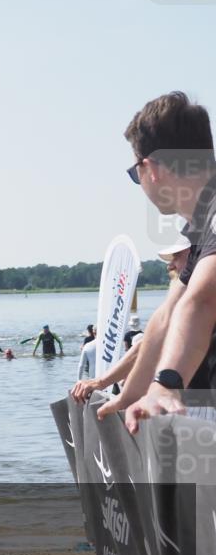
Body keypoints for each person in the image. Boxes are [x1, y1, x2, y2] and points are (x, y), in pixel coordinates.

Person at [98, 91, 216, 431]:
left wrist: (164, 384)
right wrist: (131, 395)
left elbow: (203, 300)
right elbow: (168, 315)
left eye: (135, 174)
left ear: (151, 169)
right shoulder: (201, 226)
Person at [71, 241, 194, 403]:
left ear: (196, 256)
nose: (169, 266)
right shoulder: (192, 297)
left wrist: (101, 382)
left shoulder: (196, 300)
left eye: (176, 256)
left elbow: (149, 345)